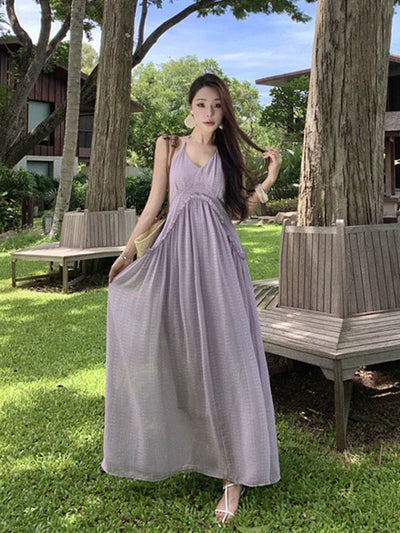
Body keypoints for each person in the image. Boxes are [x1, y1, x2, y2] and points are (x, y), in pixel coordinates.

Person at [102, 73, 282, 526]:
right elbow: (154, 205)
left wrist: (270, 177)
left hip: (220, 265)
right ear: (190, 106)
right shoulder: (170, 146)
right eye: (202, 104)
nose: (209, 112)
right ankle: (189, 450)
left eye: (217, 106)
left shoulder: (226, 156)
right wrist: (126, 252)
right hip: (175, 261)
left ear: (224, 112)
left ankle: (234, 476)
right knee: (179, 357)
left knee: (229, 359)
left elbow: (237, 212)